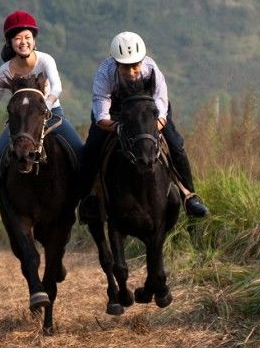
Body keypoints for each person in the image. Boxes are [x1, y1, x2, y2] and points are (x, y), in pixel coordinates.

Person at [0, 10, 83, 227]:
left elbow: (57, 86)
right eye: (18, 38)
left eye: (27, 37)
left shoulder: (45, 60)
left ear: (34, 40)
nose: (23, 42)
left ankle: (88, 204)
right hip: (20, 122)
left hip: (52, 114)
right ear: (10, 42)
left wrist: (44, 106)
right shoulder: (4, 72)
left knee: (79, 151)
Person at [79, 31, 209, 222]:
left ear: (142, 60)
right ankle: (88, 199)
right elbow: (101, 116)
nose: (132, 72)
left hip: (150, 113)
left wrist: (148, 128)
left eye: (135, 66)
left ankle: (189, 196)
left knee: (177, 146)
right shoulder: (104, 73)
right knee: (91, 148)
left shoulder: (152, 69)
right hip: (115, 114)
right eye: (125, 67)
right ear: (116, 63)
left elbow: (162, 106)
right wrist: (122, 127)